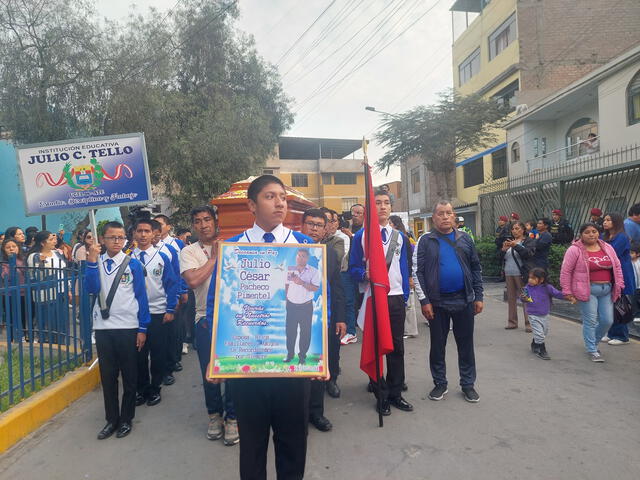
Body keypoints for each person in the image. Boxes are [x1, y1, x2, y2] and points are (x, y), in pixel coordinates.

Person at [206, 175, 321, 479]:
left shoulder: (306, 247)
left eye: (282, 196)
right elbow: (215, 305)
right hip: (248, 367)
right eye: (270, 196)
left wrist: (321, 357)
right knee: (253, 447)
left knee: (293, 445)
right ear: (251, 205)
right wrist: (214, 359)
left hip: (293, 373)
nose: (280, 202)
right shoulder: (233, 249)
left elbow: (321, 300)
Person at [350, 188, 413, 416]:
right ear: (370, 208)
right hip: (373, 298)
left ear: (391, 207)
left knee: (397, 348)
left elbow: (404, 268)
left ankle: (396, 393)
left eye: (386, 202)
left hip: (395, 298)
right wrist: (367, 274)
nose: (383, 206)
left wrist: (405, 295)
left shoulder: (401, 238)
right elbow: (354, 269)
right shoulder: (361, 237)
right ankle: (381, 394)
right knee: (375, 348)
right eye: (377, 203)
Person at [84, 221, 150, 439]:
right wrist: (91, 261)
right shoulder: (97, 262)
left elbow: (141, 297)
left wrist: (142, 328)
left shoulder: (133, 264)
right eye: (112, 237)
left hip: (128, 327)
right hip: (103, 328)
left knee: (130, 376)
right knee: (108, 376)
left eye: (121, 237)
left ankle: (126, 418)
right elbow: (92, 289)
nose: (117, 241)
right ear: (102, 239)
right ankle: (111, 419)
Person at [414, 200, 483, 403]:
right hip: (437, 303)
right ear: (433, 217)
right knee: (437, 345)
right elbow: (417, 271)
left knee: (466, 345)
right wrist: (424, 300)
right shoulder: (425, 241)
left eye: (449, 213)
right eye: (441, 213)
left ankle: (468, 384)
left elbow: (476, 268)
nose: (445, 217)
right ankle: (440, 383)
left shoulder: (465, 239)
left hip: (464, 300)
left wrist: (478, 296)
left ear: (454, 217)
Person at [180, 205, 238, 446]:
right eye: (197, 221)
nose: (203, 225)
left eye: (207, 220)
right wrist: (215, 258)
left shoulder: (233, 244)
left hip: (233, 316)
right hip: (204, 317)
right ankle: (214, 416)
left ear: (216, 222)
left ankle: (233, 418)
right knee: (210, 372)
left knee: (234, 371)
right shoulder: (189, 252)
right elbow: (193, 280)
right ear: (193, 226)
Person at [300, 208, 346, 431]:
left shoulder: (328, 253)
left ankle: (316, 413)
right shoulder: (290, 250)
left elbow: (336, 286)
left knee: (319, 367)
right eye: (310, 224)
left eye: (319, 225)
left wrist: (340, 317)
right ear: (302, 226)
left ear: (326, 227)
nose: (314, 228)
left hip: (322, 318)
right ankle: (297, 413)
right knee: (298, 366)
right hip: (296, 316)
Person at [131, 219, 178, 407]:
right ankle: (142, 389)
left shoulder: (162, 256)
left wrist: (170, 308)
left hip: (158, 312)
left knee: (158, 354)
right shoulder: (128, 258)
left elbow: (171, 283)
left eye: (147, 231)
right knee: (138, 355)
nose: (143, 235)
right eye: (139, 231)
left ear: (153, 234)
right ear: (134, 233)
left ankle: (155, 388)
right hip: (134, 315)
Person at [560, 223, 624, 362]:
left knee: (608, 320)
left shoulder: (607, 247)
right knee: (590, 320)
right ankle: (592, 349)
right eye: (587, 232)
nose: (591, 234)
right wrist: (567, 291)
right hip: (586, 290)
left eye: (594, 231)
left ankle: (592, 343)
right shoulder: (574, 250)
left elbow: (617, 266)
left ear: (598, 233)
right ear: (581, 235)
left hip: (607, 289)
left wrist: (620, 284)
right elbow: (566, 271)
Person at [150, 219, 181, 384]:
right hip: (141, 309)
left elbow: (175, 274)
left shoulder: (168, 250)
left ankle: (168, 368)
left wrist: (176, 296)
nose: (152, 237)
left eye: (155, 234)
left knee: (167, 338)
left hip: (164, 302)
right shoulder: (132, 252)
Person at [26, 230, 68, 343]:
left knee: (61, 320)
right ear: (42, 243)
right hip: (46, 294)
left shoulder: (57, 253)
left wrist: (67, 288)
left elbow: (64, 270)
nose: (54, 241)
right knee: (47, 321)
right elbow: (35, 276)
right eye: (50, 239)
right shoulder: (34, 256)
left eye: (54, 239)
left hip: (61, 290)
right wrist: (40, 264)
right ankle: (46, 342)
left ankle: (61, 343)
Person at [521, 268, 570, 360]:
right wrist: (524, 298)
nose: (530, 280)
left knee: (544, 332)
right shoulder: (527, 288)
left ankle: (535, 343)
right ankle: (542, 350)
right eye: (529, 277)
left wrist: (567, 296)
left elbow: (557, 294)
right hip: (533, 315)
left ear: (541, 279)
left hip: (545, 314)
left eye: (533, 278)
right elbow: (523, 299)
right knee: (539, 334)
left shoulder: (547, 287)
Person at [601, 213, 634, 345]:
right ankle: (611, 333)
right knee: (611, 305)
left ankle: (622, 336)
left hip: (621, 274)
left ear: (616, 222)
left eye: (608, 220)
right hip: (610, 274)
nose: (605, 222)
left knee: (620, 305)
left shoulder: (622, 237)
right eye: (604, 220)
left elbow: (611, 254)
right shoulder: (606, 236)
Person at [285, 248, 320, 365]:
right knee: (290, 332)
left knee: (305, 332)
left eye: (303, 256)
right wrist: (287, 300)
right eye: (298, 255)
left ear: (307, 258)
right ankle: (290, 354)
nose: (300, 258)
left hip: (305, 307)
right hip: (291, 306)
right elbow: (287, 285)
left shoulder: (314, 271)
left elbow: (315, 288)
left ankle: (302, 357)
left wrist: (302, 283)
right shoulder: (290, 270)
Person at [328, 210, 357, 346]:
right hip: (333, 275)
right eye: (327, 221)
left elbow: (340, 258)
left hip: (343, 273)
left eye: (333, 221)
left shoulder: (343, 237)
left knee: (348, 302)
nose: (330, 224)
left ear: (338, 223)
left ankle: (351, 332)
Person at [389, 215, 419, 338]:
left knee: (409, 305)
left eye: (390, 222)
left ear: (395, 224)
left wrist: (410, 277)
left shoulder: (402, 237)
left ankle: (411, 330)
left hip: (405, 276)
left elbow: (408, 259)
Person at [501, 221, 535, 331]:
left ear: (523, 230)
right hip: (509, 273)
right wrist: (503, 250)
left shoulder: (528, 241)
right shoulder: (509, 242)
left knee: (525, 297)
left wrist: (516, 246)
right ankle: (512, 322)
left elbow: (528, 254)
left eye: (517, 228)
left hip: (521, 274)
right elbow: (500, 258)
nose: (515, 231)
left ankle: (529, 323)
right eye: (513, 229)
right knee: (511, 298)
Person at [1, 237, 28, 341]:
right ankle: (12, 339)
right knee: (11, 318)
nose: (11, 249)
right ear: (4, 249)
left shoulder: (23, 260)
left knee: (23, 317)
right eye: (8, 247)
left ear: (18, 248)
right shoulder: (2, 262)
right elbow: (4, 276)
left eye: (14, 246)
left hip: (23, 293)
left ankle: (23, 337)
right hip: (8, 295)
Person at [629, 243, 640, 324]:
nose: (630, 255)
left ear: (638, 254)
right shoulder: (628, 263)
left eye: (632, 253)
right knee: (633, 301)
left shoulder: (639, 262)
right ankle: (636, 315)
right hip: (633, 286)